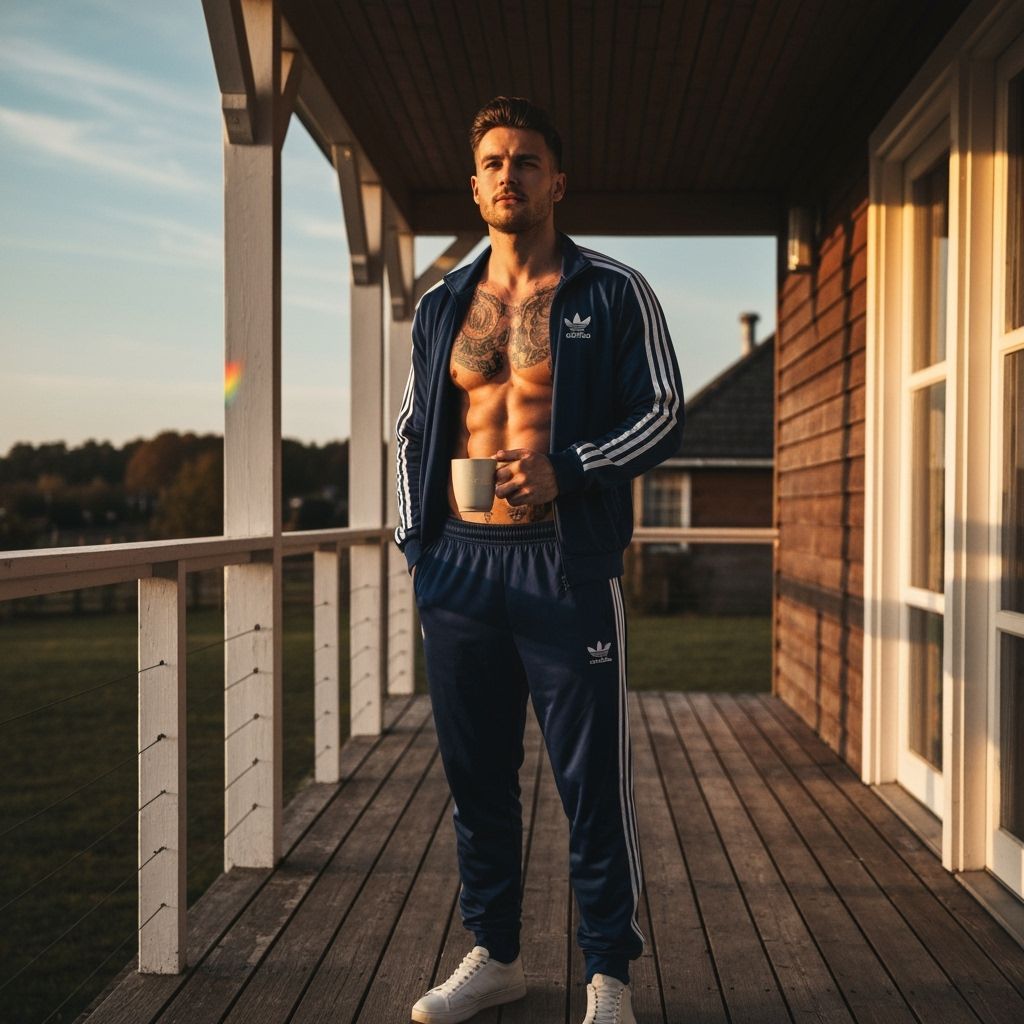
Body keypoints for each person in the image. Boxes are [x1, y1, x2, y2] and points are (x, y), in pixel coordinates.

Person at [395, 96, 684, 1024]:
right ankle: (497, 954)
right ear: (475, 184)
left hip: (563, 567)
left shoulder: (611, 289)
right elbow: (410, 432)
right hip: (462, 571)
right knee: (477, 781)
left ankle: (610, 975)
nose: (507, 175)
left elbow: (665, 410)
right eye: (491, 162)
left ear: (556, 181)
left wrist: (572, 469)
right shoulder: (443, 303)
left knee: (589, 783)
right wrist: (418, 547)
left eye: (525, 161)